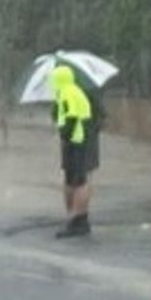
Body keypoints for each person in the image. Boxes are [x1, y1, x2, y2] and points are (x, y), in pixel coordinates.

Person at [51, 65, 98, 238]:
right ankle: (78, 219)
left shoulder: (67, 92)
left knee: (78, 180)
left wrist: (65, 135)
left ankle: (77, 220)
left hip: (76, 141)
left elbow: (70, 117)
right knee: (74, 179)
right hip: (79, 140)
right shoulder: (71, 91)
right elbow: (60, 114)